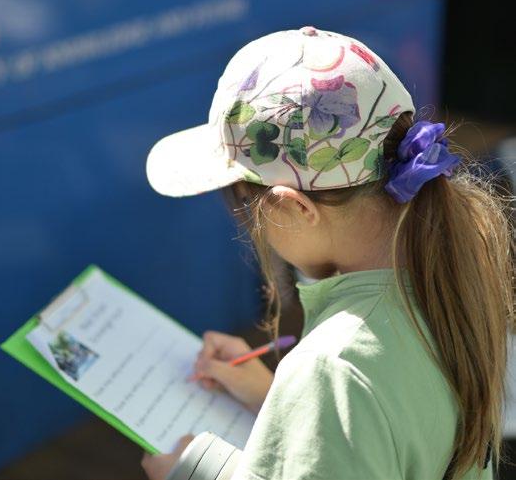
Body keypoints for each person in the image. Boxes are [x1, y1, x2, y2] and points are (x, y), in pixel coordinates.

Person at [140, 27, 514, 480]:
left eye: (242, 200)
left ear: (294, 207)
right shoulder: (450, 274)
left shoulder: (334, 369)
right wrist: (281, 402)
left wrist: (195, 469)